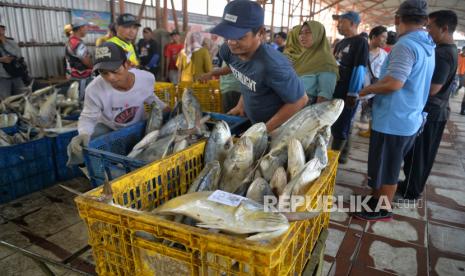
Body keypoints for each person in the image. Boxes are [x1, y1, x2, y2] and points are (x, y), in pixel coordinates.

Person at [356, 0, 435, 221]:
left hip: (394, 119)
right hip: (409, 117)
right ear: (425, 21)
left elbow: (394, 83)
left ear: (397, 19)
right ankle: (374, 199)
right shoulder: (427, 45)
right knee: (384, 164)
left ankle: (382, 208)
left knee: (388, 166)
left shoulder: (405, 45)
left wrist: (365, 91)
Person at [200, 0, 308, 131]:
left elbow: (300, 100)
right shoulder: (227, 51)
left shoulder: (273, 65)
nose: (231, 42)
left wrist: (264, 130)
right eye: (227, 34)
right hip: (254, 122)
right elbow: (245, 76)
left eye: (239, 36)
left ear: (261, 33)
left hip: (281, 129)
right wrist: (241, 105)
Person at [67, 43, 168, 165]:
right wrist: (83, 133)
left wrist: (166, 109)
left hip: (138, 127)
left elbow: (150, 97)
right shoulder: (94, 89)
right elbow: (88, 117)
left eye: (115, 71)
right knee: (78, 149)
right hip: (109, 128)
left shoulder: (146, 79)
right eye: (103, 73)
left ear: (127, 64)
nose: (111, 78)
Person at [396, 10, 458, 201]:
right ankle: (410, 186)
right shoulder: (446, 50)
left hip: (431, 113)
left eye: (430, 26)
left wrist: (405, 82)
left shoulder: (443, 53)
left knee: (418, 155)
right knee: (420, 155)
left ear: (444, 28)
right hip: (436, 111)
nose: (427, 30)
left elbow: (433, 89)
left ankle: (411, 192)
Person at [331, 11, 369, 164]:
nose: (338, 24)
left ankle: (335, 158)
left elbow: (359, 69)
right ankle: (342, 154)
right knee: (339, 123)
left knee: (343, 124)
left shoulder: (360, 42)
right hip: (336, 89)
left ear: (353, 24)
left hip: (347, 91)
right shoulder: (341, 43)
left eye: (342, 21)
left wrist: (353, 93)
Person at [284, 21, 339, 104]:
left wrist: (315, 116)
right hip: (289, 104)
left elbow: (324, 96)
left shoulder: (326, 61)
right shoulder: (305, 56)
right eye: (301, 33)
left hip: (304, 108)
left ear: (318, 35)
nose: (302, 36)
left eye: (307, 32)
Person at [358, 26, 389, 137]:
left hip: (375, 89)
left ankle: (371, 130)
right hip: (359, 89)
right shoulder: (361, 51)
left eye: (386, 37)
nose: (385, 40)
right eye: (383, 37)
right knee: (361, 111)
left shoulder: (385, 55)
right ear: (374, 37)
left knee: (373, 111)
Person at [65, 18, 93, 100]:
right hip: (81, 78)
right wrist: (93, 67)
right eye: (86, 27)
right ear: (80, 28)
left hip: (73, 75)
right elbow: (86, 61)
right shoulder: (77, 43)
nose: (87, 29)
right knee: (81, 100)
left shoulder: (71, 40)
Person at [0, 22, 25, 99]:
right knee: (5, 100)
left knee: (23, 97)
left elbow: (18, 54)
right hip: (2, 77)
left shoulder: (11, 41)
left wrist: (4, 43)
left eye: (3, 27)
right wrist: (1, 59)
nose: (2, 29)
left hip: (16, 74)